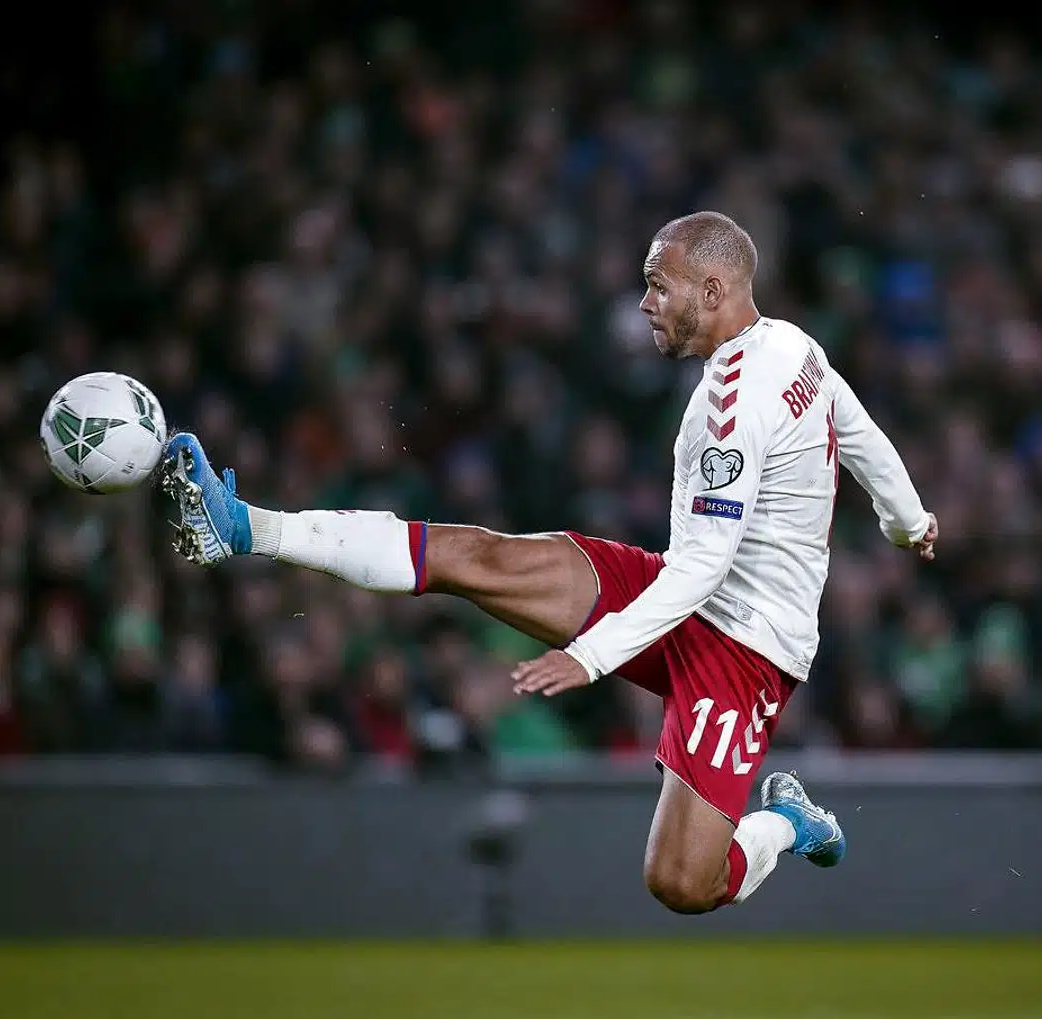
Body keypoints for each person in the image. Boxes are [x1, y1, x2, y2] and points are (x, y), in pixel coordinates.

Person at [162, 212, 938, 913]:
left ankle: (787, 823)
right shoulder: (793, 346)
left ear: (712, 290)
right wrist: (908, 520)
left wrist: (589, 656)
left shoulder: (729, 410)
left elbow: (705, 566)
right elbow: (855, 425)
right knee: (480, 557)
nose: (644, 304)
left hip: (747, 648)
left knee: (681, 882)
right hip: (682, 593)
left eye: (658, 286)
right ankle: (247, 527)